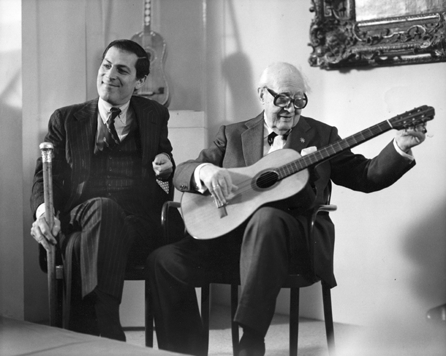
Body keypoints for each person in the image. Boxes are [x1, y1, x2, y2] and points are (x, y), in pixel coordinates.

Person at [147, 62, 428, 356]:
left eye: (298, 100)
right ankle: (183, 352)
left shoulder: (322, 136)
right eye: (282, 98)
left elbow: (365, 175)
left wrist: (399, 147)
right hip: (228, 242)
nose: (291, 108)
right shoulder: (231, 134)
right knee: (164, 260)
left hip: (291, 245)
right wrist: (204, 171)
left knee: (267, 218)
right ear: (262, 95)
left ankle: (251, 342)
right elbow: (182, 173)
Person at [30, 39, 174, 341]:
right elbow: (45, 177)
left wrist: (166, 165)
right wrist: (44, 213)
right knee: (103, 209)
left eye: (122, 70)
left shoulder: (154, 115)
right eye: (106, 66)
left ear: (140, 81)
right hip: (80, 215)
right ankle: (107, 326)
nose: (109, 75)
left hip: (135, 221)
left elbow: (164, 161)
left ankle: (86, 338)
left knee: (79, 245)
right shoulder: (66, 119)